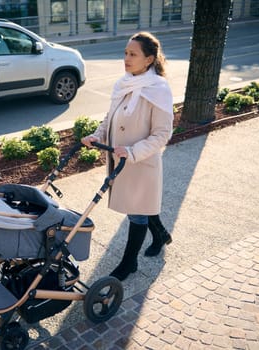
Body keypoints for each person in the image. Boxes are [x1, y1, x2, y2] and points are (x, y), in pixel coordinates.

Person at [82, 31, 173, 281]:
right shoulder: (124, 83)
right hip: (120, 161)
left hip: (141, 163)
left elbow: (163, 134)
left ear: (149, 60)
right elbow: (110, 119)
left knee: (137, 212)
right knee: (141, 204)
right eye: (125, 53)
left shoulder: (159, 89)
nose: (126, 58)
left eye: (133, 54)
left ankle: (129, 263)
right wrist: (96, 136)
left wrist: (133, 152)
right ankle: (161, 234)